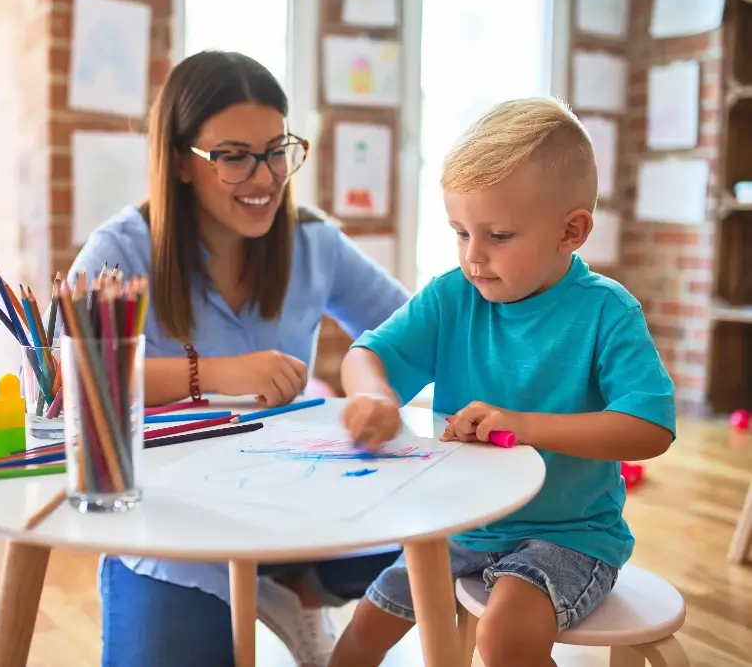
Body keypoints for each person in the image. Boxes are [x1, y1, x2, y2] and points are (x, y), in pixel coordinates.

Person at [65, 50, 410, 667]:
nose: (265, 177)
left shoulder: (313, 242)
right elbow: (68, 385)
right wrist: (214, 374)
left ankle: (296, 588)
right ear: (179, 162)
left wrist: (375, 389)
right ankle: (269, 587)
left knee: (448, 543)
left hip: (298, 501)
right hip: (171, 531)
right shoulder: (121, 248)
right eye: (232, 157)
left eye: (277, 150)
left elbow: (411, 332)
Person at [328, 97, 676, 667]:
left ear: (572, 231)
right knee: (362, 632)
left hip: (570, 537)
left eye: (499, 236)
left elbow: (650, 429)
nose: (473, 257)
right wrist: (372, 393)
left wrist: (526, 425)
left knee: (504, 637)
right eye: (460, 233)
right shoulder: (452, 296)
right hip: (459, 526)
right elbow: (370, 354)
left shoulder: (607, 312)